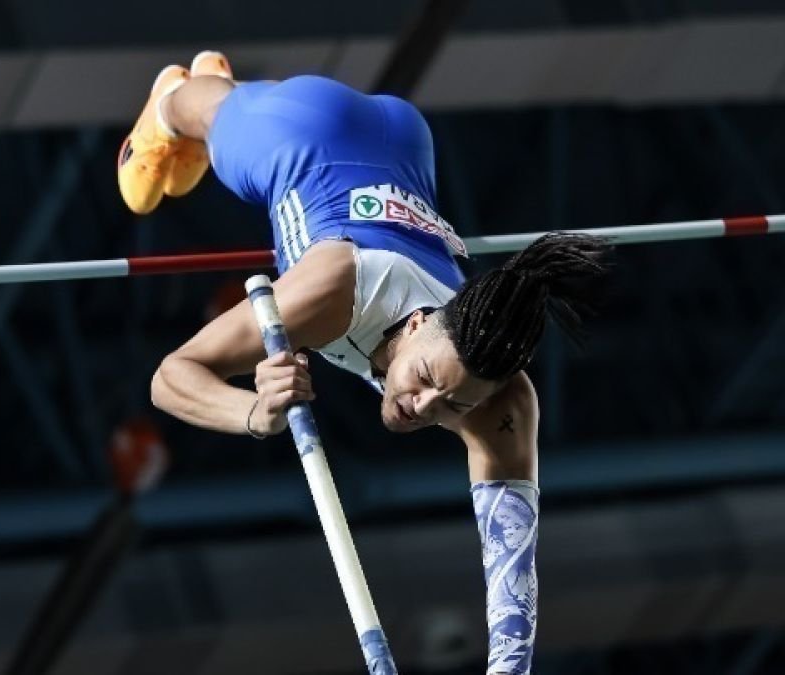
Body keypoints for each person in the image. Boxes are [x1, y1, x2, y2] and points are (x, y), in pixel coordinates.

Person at [119, 51, 610, 675]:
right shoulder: (332, 292)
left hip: (405, 146)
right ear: (417, 323)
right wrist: (255, 413)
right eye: (426, 380)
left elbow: (511, 568)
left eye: (454, 405)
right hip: (304, 133)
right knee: (199, 115)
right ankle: (182, 100)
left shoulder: (501, 401)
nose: (424, 407)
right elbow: (171, 376)